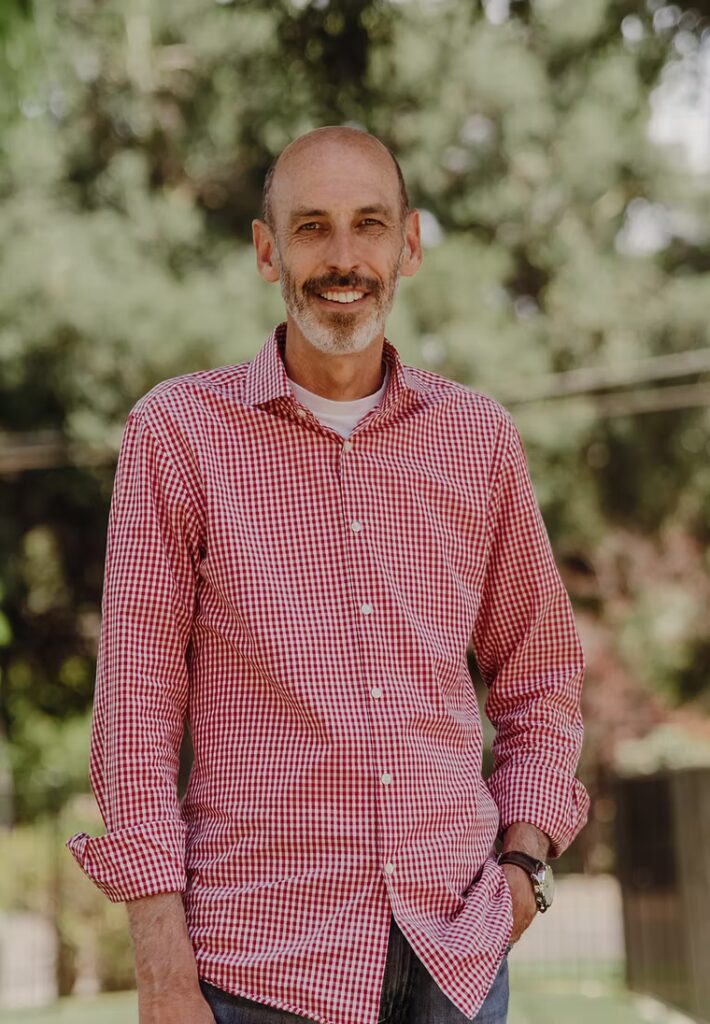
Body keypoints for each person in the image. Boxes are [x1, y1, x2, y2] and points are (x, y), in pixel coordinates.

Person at [66, 125, 589, 1024]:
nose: (342, 257)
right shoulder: (179, 435)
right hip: (259, 968)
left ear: (409, 244)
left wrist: (521, 871)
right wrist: (158, 953)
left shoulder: (479, 439)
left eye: (369, 224)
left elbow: (541, 674)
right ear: (268, 251)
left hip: (457, 958)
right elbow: (137, 706)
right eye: (311, 227)